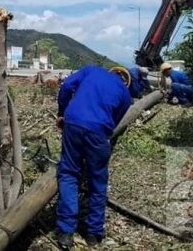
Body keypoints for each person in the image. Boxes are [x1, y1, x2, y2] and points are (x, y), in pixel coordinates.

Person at [56, 65, 131, 249]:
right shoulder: (126, 95)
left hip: (72, 124)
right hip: (98, 133)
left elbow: (66, 87)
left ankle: (66, 232)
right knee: (97, 182)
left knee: (69, 174)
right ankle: (93, 234)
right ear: (125, 81)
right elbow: (115, 121)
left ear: (111, 71)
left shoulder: (92, 71)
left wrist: (61, 112)